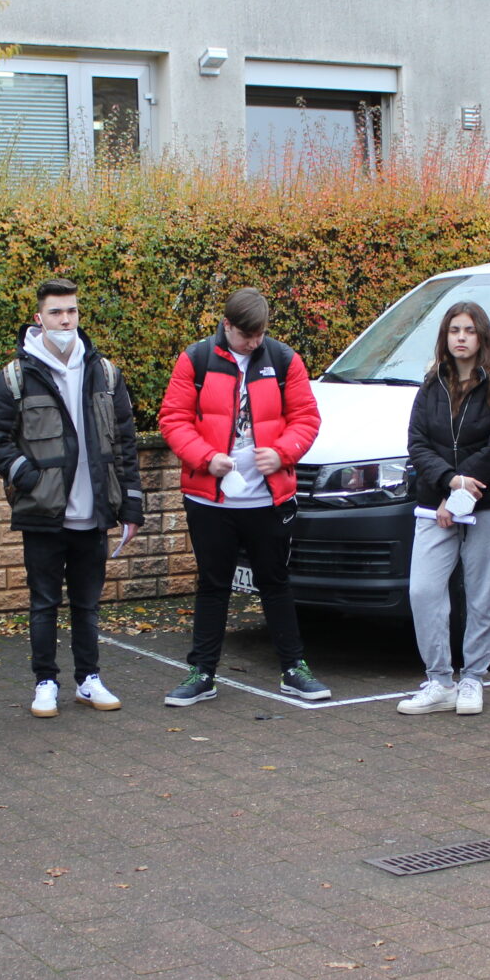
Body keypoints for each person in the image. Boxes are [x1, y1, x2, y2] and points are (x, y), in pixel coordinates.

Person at [0, 278, 144, 717]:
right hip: (44, 512)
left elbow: (125, 443)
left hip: (94, 511)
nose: (65, 320)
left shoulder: (105, 372)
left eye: (71, 311)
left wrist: (131, 505)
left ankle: (88, 680)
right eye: (55, 312)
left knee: (87, 605)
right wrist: (26, 475)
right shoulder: (15, 377)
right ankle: (45, 682)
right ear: (39, 318)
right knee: (44, 604)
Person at [157, 288, 329, 705]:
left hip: (268, 501)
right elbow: (173, 419)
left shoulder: (284, 360)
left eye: (260, 334)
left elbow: (306, 418)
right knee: (213, 586)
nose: (254, 342)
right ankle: (202, 673)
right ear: (227, 325)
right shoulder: (196, 359)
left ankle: (294, 670)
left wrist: (283, 453)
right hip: (210, 501)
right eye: (246, 335)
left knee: (275, 583)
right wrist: (206, 458)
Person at [398, 301, 490, 716]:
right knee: (423, 590)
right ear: (445, 337)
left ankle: (473, 679)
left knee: (483, 593)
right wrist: (450, 482)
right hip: (437, 499)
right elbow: (417, 443)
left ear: (482, 336)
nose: (461, 338)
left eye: (469, 330)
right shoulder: (431, 384)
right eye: (454, 330)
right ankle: (439, 681)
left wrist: (461, 491)